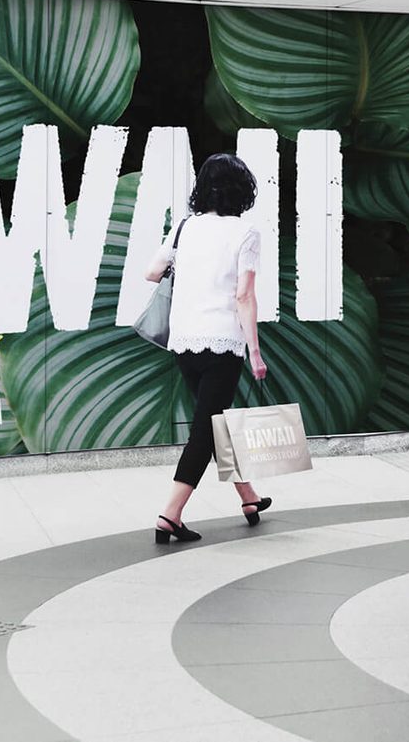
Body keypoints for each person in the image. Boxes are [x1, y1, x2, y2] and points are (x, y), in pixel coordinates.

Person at [146, 153, 270, 543]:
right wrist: (255, 352)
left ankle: (248, 497)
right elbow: (244, 297)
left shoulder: (184, 228)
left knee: (215, 424)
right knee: (205, 429)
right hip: (222, 342)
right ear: (241, 191)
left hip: (184, 340)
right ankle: (171, 514)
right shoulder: (245, 233)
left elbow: (151, 272)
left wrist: (187, 269)